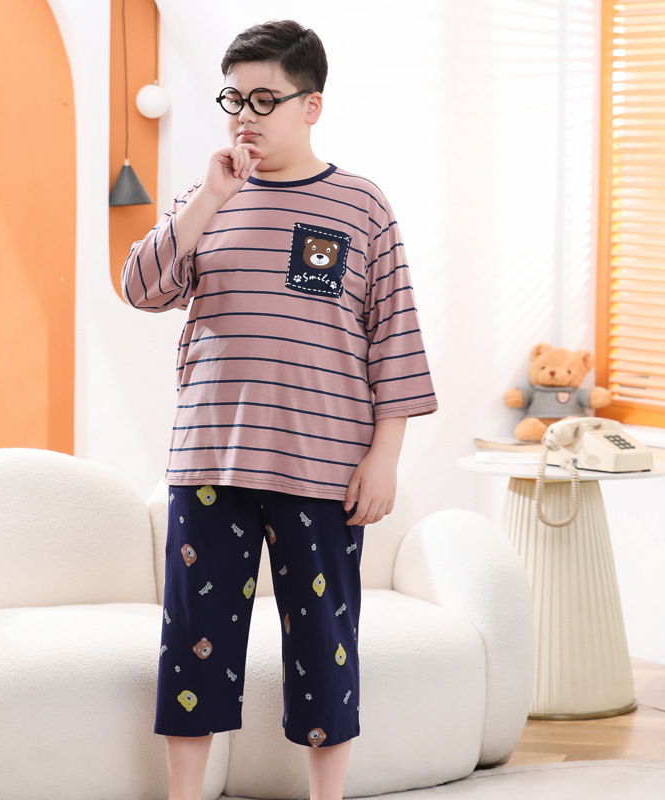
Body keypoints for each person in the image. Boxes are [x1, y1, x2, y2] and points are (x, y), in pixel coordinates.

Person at [121, 19, 437, 800]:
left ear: (311, 105)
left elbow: (394, 336)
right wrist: (210, 199)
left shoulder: (362, 205)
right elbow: (141, 288)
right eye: (235, 98)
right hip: (210, 461)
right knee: (193, 643)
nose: (245, 115)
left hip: (322, 469)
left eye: (265, 99)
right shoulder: (206, 197)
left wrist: (385, 457)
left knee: (325, 645)